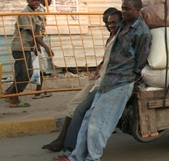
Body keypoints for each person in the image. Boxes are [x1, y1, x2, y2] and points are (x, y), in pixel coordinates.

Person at [51, 0, 151, 161]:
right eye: (123, 8)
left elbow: (140, 61)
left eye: (128, 9)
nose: (124, 12)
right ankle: (74, 158)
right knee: (88, 119)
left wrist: (130, 78)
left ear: (138, 10)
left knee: (100, 124)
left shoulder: (141, 31)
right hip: (106, 81)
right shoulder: (122, 26)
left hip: (121, 82)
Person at [42, 8, 122, 152]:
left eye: (112, 23)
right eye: (106, 23)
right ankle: (64, 141)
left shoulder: (121, 38)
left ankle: (70, 146)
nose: (109, 26)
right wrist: (98, 70)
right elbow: (105, 60)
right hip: (100, 79)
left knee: (80, 109)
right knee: (74, 105)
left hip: (108, 81)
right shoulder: (111, 37)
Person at [3, 0, 53, 108]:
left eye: (38, 1)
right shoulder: (25, 14)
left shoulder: (34, 13)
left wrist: (36, 46)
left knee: (26, 72)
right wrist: (45, 46)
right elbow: (32, 32)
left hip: (26, 46)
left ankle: (10, 94)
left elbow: (36, 32)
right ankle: (13, 99)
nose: (36, 3)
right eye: (33, 1)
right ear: (27, 0)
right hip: (20, 47)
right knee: (24, 73)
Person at [33, 0, 53, 99]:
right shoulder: (39, 10)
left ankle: (38, 91)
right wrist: (40, 45)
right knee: (40, 66)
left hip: (39, 41)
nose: (51, 0)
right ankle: (37, 92)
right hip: (37, 42)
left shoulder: (42, 9)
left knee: (39, 66)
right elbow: (36, 30)